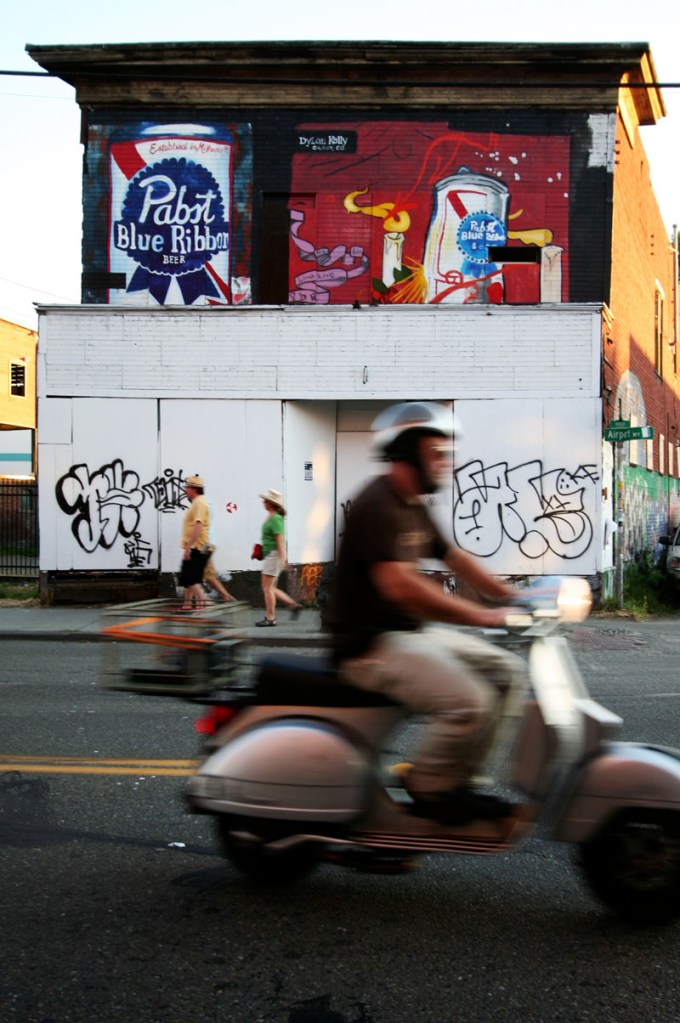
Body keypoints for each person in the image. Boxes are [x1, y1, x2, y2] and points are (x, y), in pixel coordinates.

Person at [326, 401, 522, 826]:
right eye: (436, 453)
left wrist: (512, 596)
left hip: (406, 635)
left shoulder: (412, 502)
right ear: (408, 452)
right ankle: (429, 787)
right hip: (367, 647)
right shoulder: (377, 504)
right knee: (470, 702)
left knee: (507, 672)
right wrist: (482, 616)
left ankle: (458, 781)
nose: (446, 462)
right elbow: (400, 586)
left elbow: (455, 557)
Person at [256, 488, 302, 627]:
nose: (263, 502)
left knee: (267, 588)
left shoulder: (276, 518)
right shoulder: (272, 517)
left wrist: (284, 560)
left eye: (265, 500)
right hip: (271, 554)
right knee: (270, 587)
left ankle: (271, 618)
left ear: (270, 503)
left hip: (274, 555)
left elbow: (280, 541)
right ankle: (293, 605)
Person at [178, 474, 211, 609]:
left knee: (189, 577)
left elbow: (198, 525)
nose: (185, 490)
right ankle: (199, 606)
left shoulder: (199, 503)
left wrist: (189, 547)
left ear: (194, 489)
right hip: (200, 545)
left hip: (198, 546)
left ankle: (205, 602)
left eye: (187, 487)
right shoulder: (199, 502)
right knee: (193, 578)